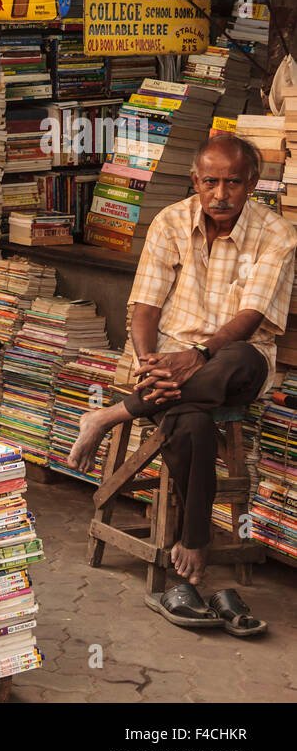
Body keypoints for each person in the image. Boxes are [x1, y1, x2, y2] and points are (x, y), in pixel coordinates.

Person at [68, 135, 296, 593]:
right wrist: (151, 362)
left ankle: (112, 414)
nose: (220, 194)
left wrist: (198, 357)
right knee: (189, 421)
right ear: (195, 179)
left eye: (233, 182)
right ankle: (194, 542)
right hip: (167, 370)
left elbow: (250, 319)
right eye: (210, 181)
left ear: (253, 182)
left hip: (230, 362)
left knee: (237, 358)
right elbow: (145, 308)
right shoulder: (170, 221)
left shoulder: (277, 235)